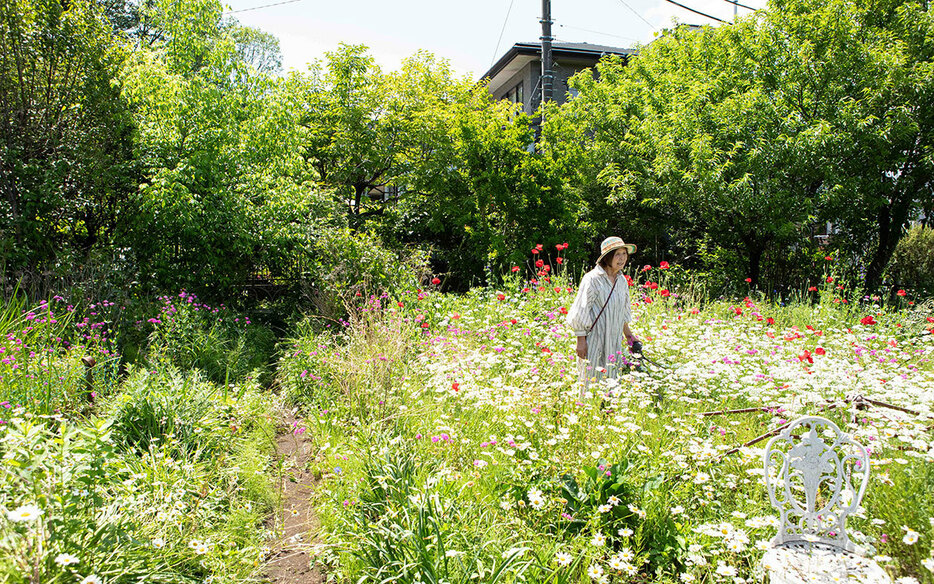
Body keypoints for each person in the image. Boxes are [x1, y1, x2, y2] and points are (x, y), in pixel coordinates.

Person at [565, 236, 639, 395]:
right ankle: (587, 415)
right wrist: (580, 341)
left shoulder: (622, 281)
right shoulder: (592, 279)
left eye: (624, 254)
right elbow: (581, 310)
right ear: (607, 257)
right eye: (617, 254)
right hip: (594, 341)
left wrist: (630, 337)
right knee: (591, 380)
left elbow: (623, 313)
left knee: (612, 380)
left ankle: (608, 413)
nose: (622, 259)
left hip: (614, 341)